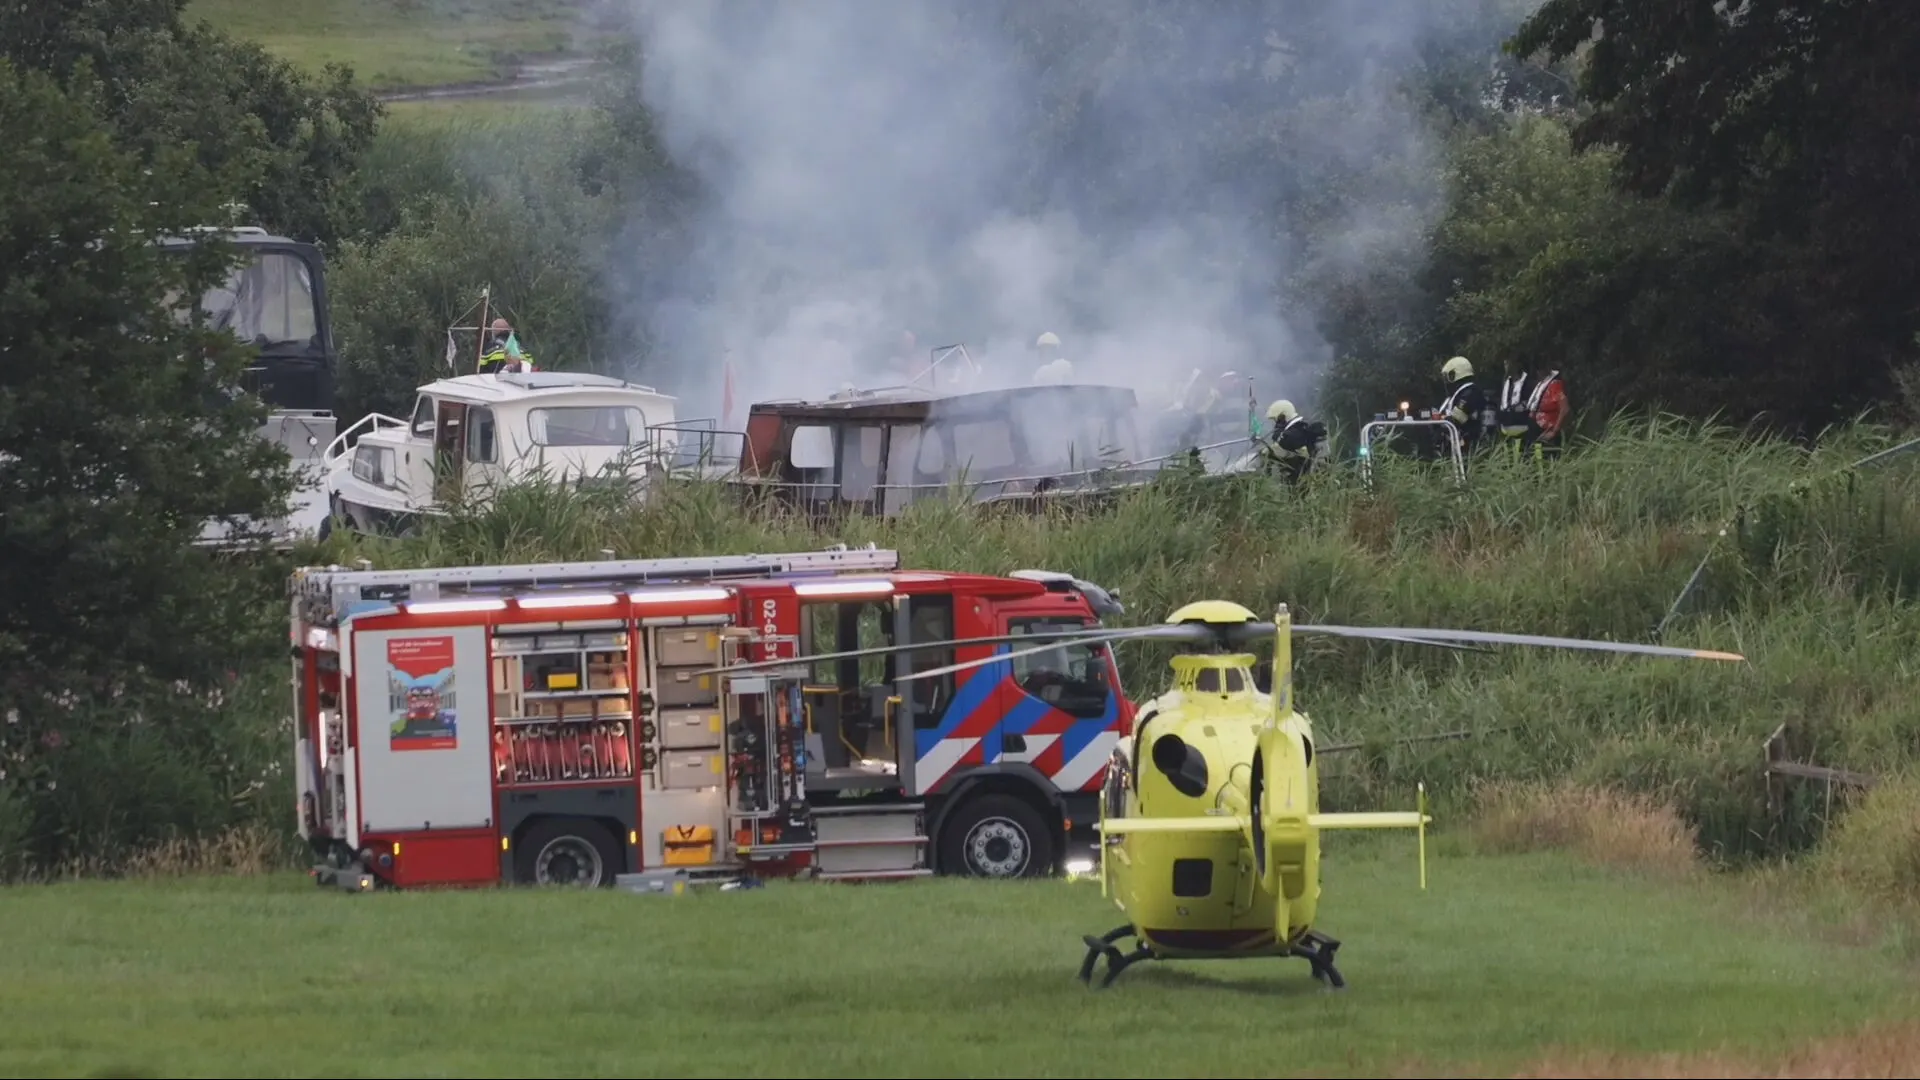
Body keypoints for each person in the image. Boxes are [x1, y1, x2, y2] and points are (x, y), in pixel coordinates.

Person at [1495, 362, 1570, 462]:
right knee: (1529, 461)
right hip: (1534, 433)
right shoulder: (1541, 384)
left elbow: (1565, 409)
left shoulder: (1555, 385)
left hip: (1547, 432)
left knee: (1548, 463)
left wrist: (1554, 431)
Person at [1259, 399, 1328, 483]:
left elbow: (1282, 442)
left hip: (1306, 480)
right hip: (1312, 477)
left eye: (1276, 420)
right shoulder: (1301, 428)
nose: (1276, 424)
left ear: (1282, 417)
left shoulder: (1293, 432)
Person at [1438, 355, 1492, 454]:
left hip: (1470, 445)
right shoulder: (1456, 394)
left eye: (1448, 376)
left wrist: (1439, 421)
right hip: (1455, 445)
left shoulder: (1471, 392)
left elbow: (1457, 418)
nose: (1445, 381)